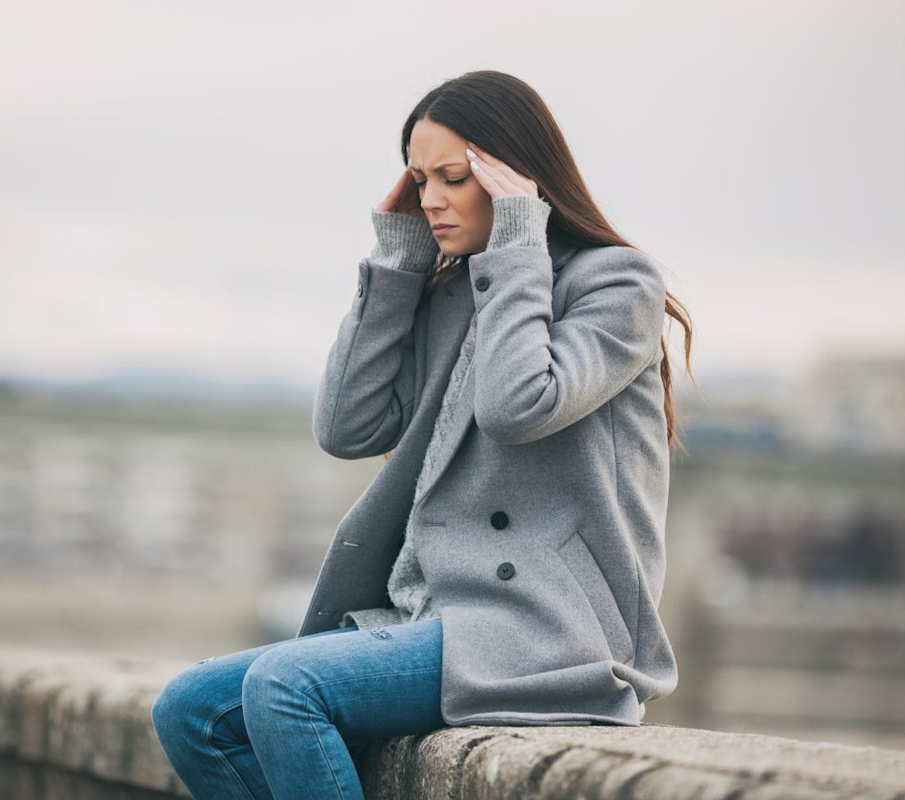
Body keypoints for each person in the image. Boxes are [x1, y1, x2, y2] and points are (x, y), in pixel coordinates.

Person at [150, 69, 694, 800]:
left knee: (285, 687)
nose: (431, 198)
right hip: (430, 612)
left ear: (514, 179)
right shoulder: (457, 293)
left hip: (544, 630)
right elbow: (348, 425)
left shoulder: (616, 285)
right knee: (190, 711)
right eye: (417, 178)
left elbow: (518, 405)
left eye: (452, 177)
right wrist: (400, 260)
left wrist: (515, 244)